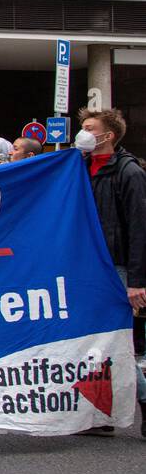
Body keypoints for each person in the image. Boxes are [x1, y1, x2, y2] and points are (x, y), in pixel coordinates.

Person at [74, 107, 146, 437]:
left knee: (114, 340)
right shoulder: (81, 168)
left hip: (114, 267)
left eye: (89, 128)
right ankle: (101, 412)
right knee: (93, 340)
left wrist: (136, 281)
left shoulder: (128, 172)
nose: (83, 133)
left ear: (108, 135)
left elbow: (139, 227)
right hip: (88, 267)